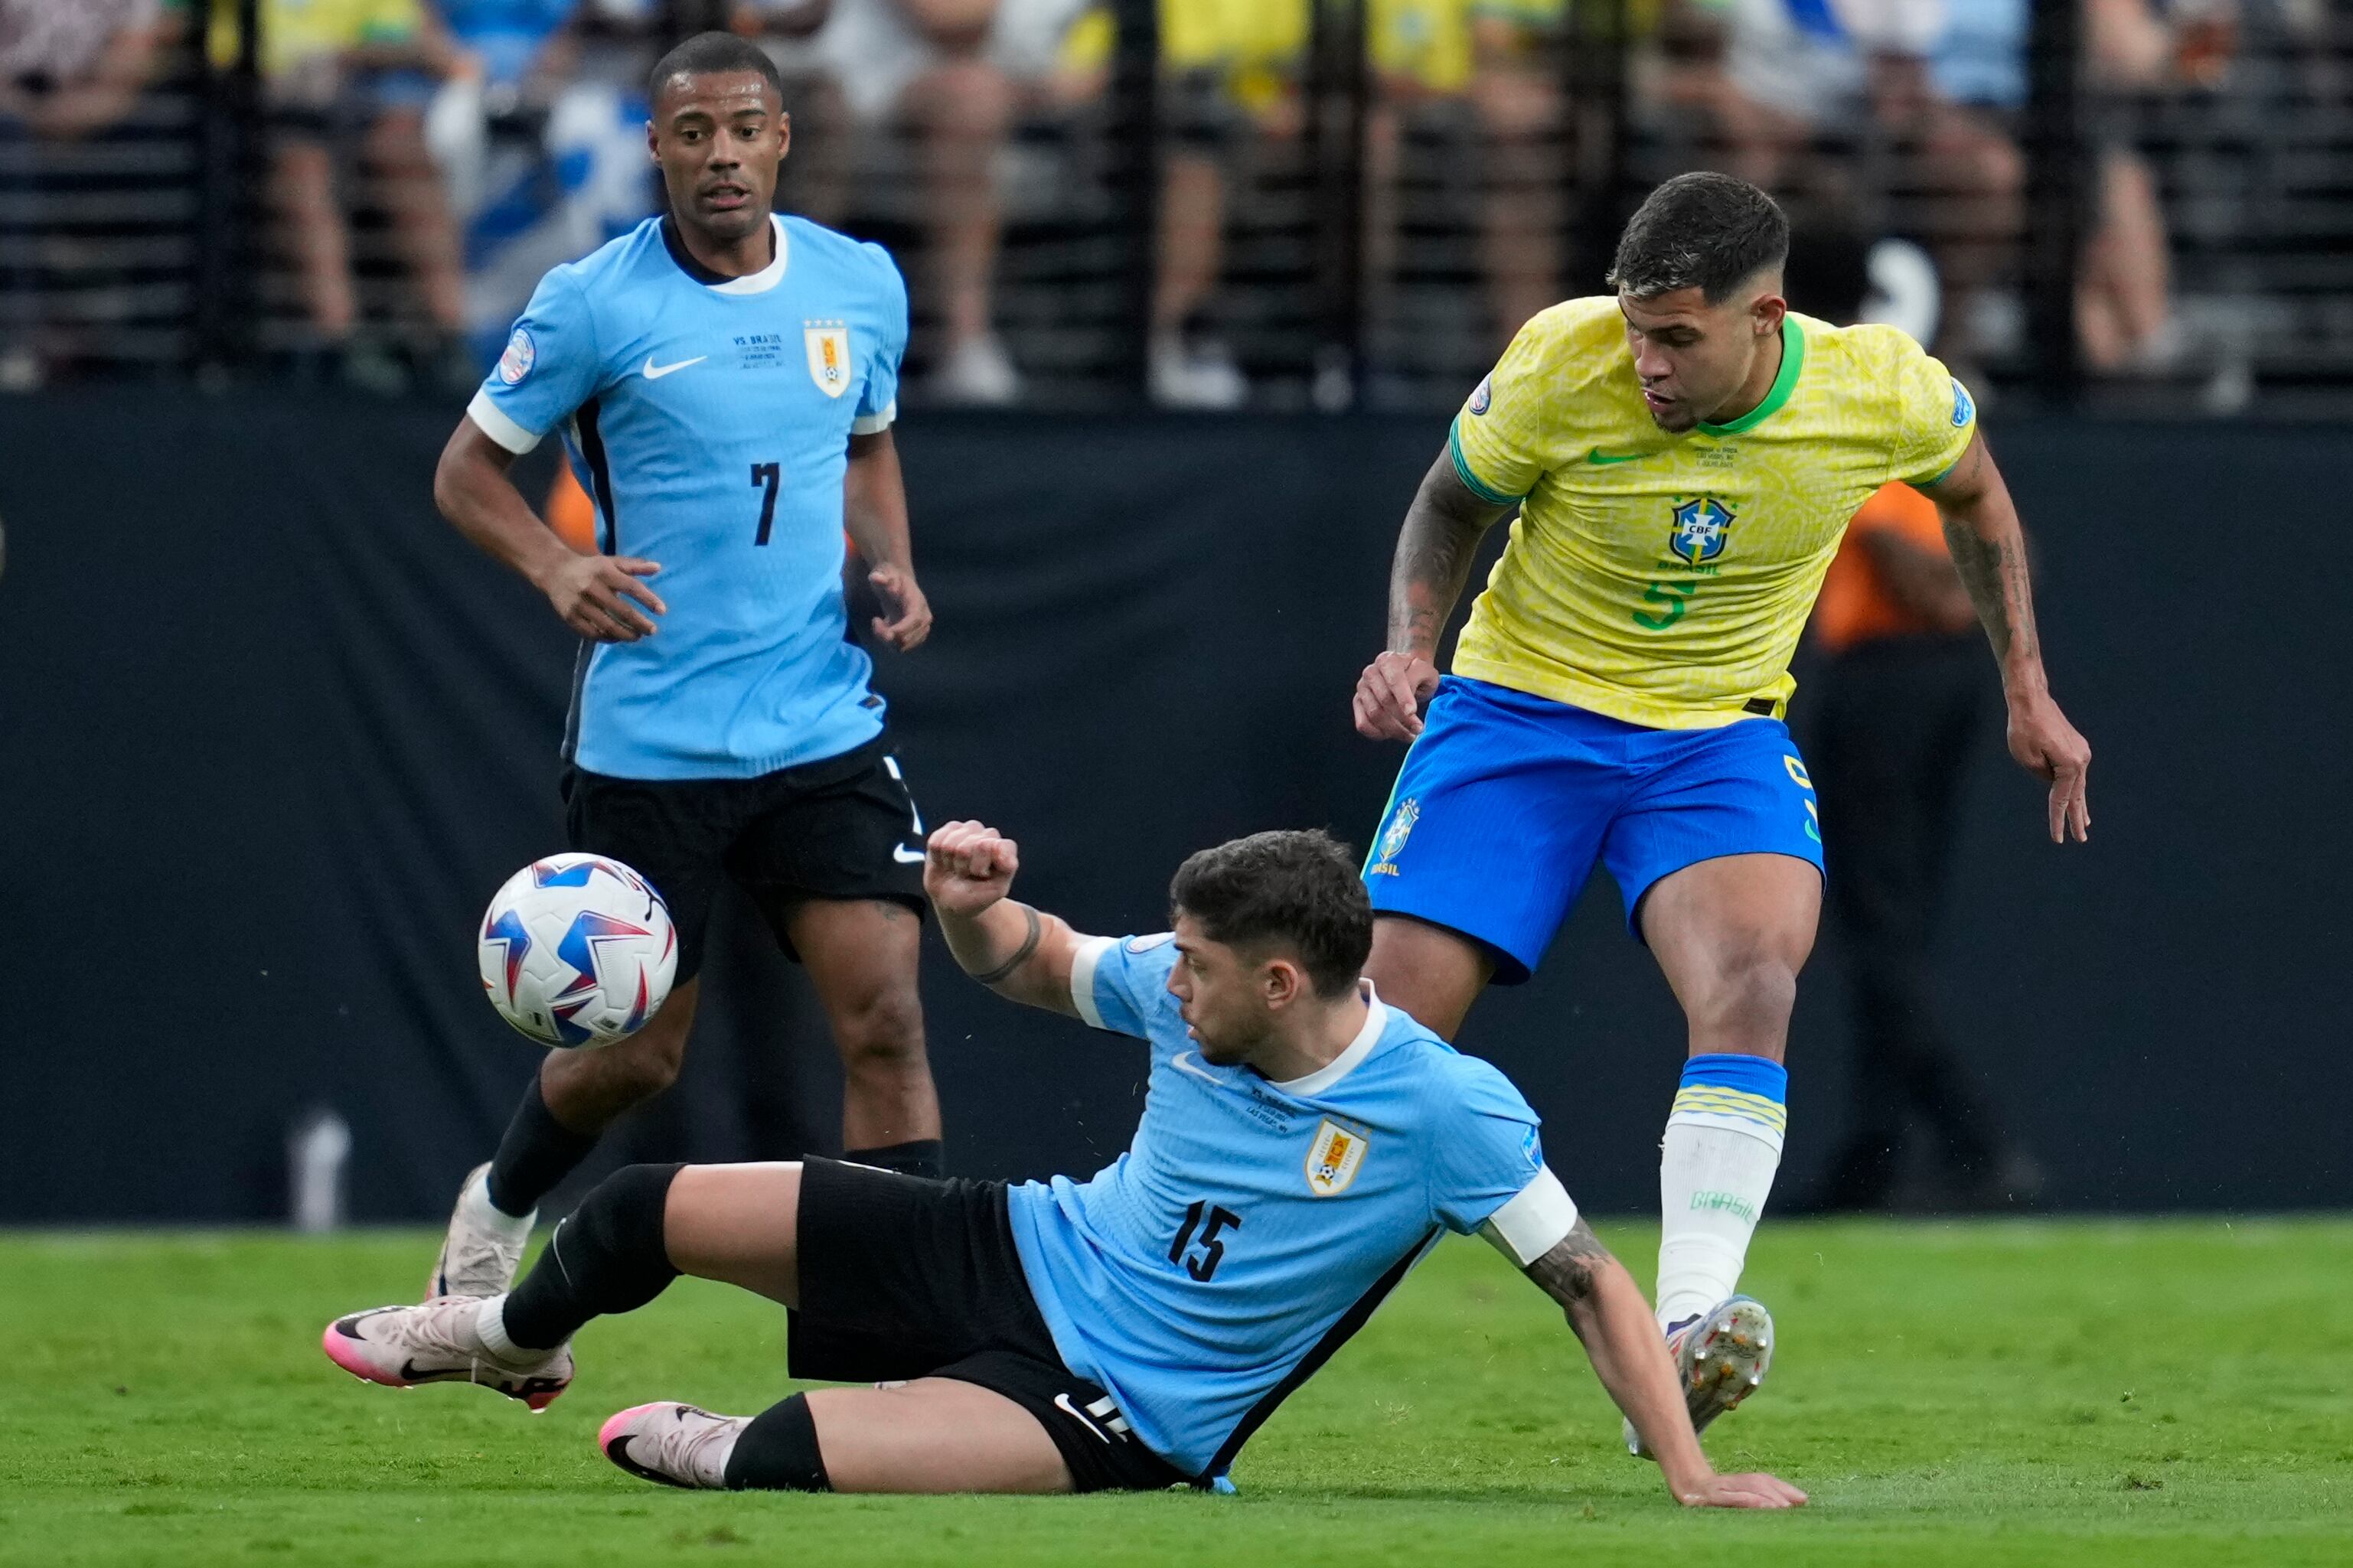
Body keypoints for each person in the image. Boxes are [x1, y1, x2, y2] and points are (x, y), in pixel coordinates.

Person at [321, 823, 1806, 1508]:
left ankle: (746, 1427)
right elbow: (1034, 964)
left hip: (1123, 1411)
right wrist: (978, 907)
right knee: (644, 1206)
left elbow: (1592, 1284)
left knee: (769, 1456)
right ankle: (505, 1341)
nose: (1172, 986)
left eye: (1205, 969)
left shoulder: (1446, 1110)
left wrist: (1691, 1471)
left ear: (1284, 982)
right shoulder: (1186, 979)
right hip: (1014, 1245)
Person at [1349, 171, 2090, 1454]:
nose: (1642, 359)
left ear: (1766, 316)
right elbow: (1446, 501)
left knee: (1754, 975)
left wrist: (2025, 685)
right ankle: (1206, 1301)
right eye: (1635, 327)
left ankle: (1684, 1330)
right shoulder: (1556, 363)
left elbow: (1976, 495)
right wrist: (1409, 644)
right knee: (1375, 1048)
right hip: (1516, 715)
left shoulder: (1874, 387)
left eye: (1675, 336)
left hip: (1711, 732)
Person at [423, 31, 945, 1307]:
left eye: (744, 128)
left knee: (882, 1014)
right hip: (652, 745)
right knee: (638, 1059)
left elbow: (866, 441)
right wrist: (555, 570)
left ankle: (911, 1311)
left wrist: (892, 561)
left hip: (819, 724)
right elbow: (463, 472)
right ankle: (498, 1199)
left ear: (783, 138)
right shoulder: (594, 301)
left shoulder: (857, 284)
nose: (722, 156)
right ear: (654, 147)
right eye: (694, 133)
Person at [1807, 479, 2039, 1210]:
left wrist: (1944, 583)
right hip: (1941, 678)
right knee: (1893, 924)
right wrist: (1959, 581)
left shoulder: (1888, 433)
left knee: (1881, 926)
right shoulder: (1940, 443)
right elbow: (1982, 571)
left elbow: (1937, 582)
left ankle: (1975, 1135)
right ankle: (1873, 1154)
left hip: (1889, 683)